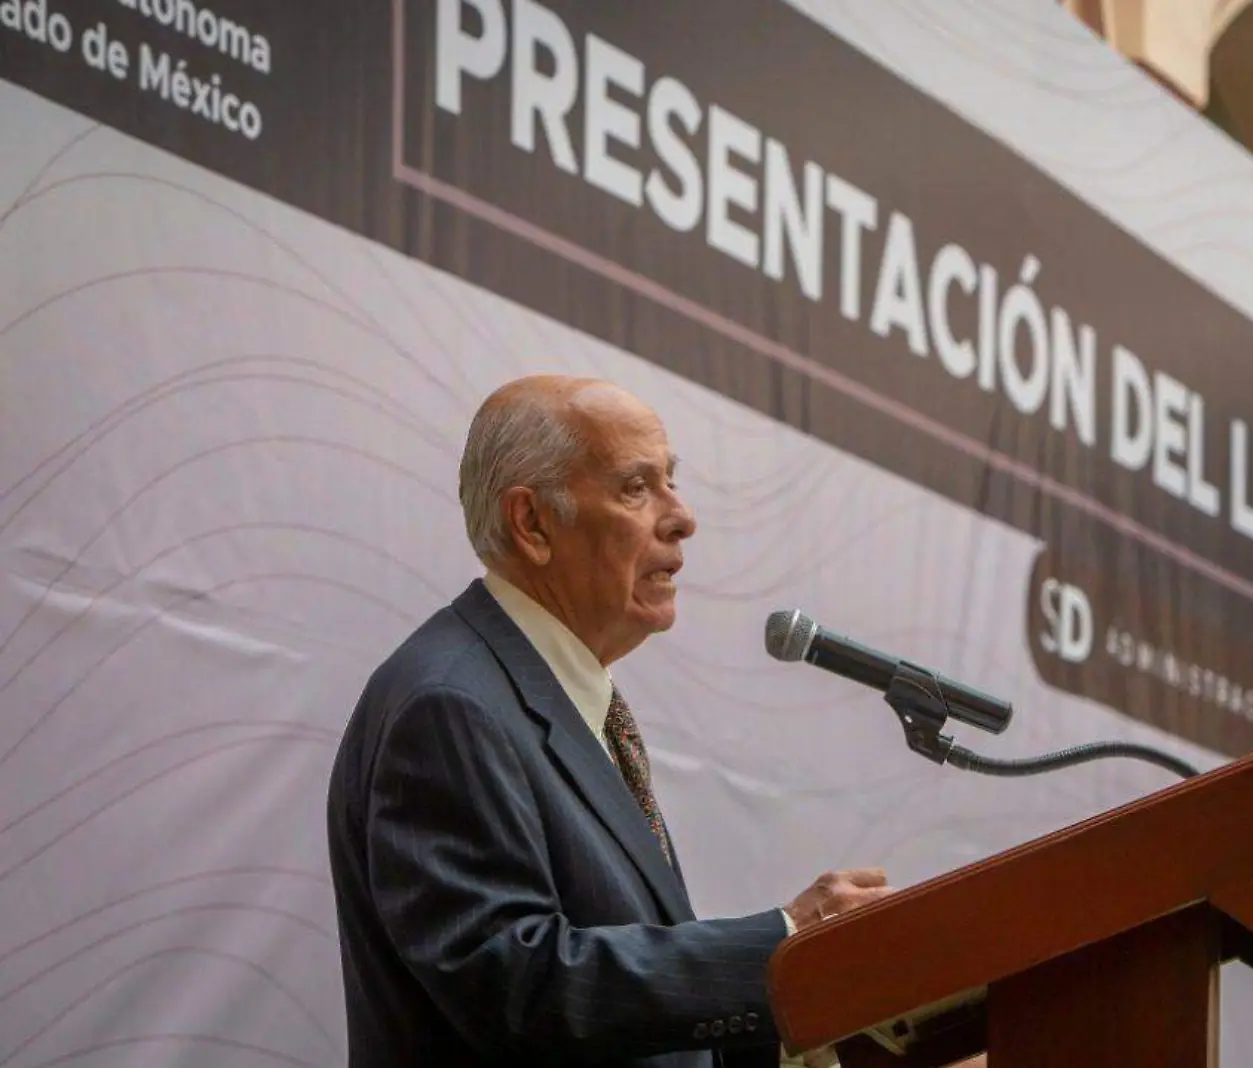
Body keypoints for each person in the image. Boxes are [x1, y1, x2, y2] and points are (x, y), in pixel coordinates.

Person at [326, 374, 893, 1067]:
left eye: (671, 481)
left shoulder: (568, 704)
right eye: (636, 487)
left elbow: (630, 1028)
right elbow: (517, 988)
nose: (682, 517)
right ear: (532, 523)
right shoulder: (450, 705)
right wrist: (783, 944)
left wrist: (809, 1037)